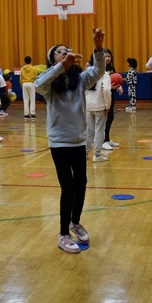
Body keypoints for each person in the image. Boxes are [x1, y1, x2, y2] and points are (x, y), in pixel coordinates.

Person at [35, 27, 106, 254]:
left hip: (78, 140)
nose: (65, 53)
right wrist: (61, 66)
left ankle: (75, 222)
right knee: (67, 187)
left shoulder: (80, 79)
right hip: (59, 142)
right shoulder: (48, 84)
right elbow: (38, 84)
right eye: (59, 52)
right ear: (52, 60)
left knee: (81, 184)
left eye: (67, 51)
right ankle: (63, 233)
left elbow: (99, 70)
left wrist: (98, 47)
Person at [85, 54, 111, 162]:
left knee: (89, 130)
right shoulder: (104, 74)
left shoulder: (87, 73)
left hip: (88, 105)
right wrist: (107, 105)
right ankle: (97, 154)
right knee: (99, 130)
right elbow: (106, 90)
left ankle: (84, 153)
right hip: (100, 105)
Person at [101, 49, 122, 151]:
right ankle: (103, 141)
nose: (107, 58)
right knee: (105, 119)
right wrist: (110, 87)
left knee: (110, 118)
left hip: (111, 96)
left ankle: (107, 139)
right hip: (102, 98)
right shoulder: (99, 69)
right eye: (105, 57)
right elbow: (100, 85)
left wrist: (119, 86)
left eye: (109, 56)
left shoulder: (112, 68)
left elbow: (115, 79)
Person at [20, 55, 38, 120]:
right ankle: (32, 113)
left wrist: (22, 85)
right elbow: (36, 77)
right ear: (31, 61)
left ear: (25, 61)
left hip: (24, 84)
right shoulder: (33, 68)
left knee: (25, 99)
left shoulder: (22, 69)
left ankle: (26, 114)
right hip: (31, 83)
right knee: (32, 99)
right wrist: (36, 86)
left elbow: (20, 78)